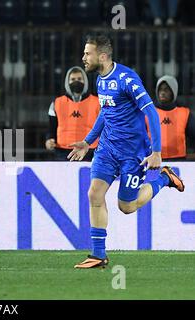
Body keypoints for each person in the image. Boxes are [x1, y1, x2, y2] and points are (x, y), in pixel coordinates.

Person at [68, 35, 185, 269]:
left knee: (127, 207)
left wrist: (156, 152)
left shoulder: (126, 78)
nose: (83, 58)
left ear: (102, 56)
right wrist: (88, 142)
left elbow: (151, 112)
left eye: (87, 53)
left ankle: (164, 178)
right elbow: (105, 112)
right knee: (94, 194)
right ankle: (99, 255)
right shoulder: (101, 80)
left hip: (132, 154)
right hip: (107, 150)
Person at [45, 66, 100, 160]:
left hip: (90, 152)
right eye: (73, 79)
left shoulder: (98, 102)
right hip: (62, 153)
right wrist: (49, 140)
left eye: (79, 79)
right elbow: (51, 127)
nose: (76, 81)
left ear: (85, 81)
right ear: (67, 82)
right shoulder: (56, 103)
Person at [148, 75, 195, 160]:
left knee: (173, 174)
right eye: (160, 89)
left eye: (166, 89)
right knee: (152, 174)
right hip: (153, 162)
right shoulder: (148, 113)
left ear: (173, 92)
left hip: (179, 163)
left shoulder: (184, 113)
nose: (162, 92)